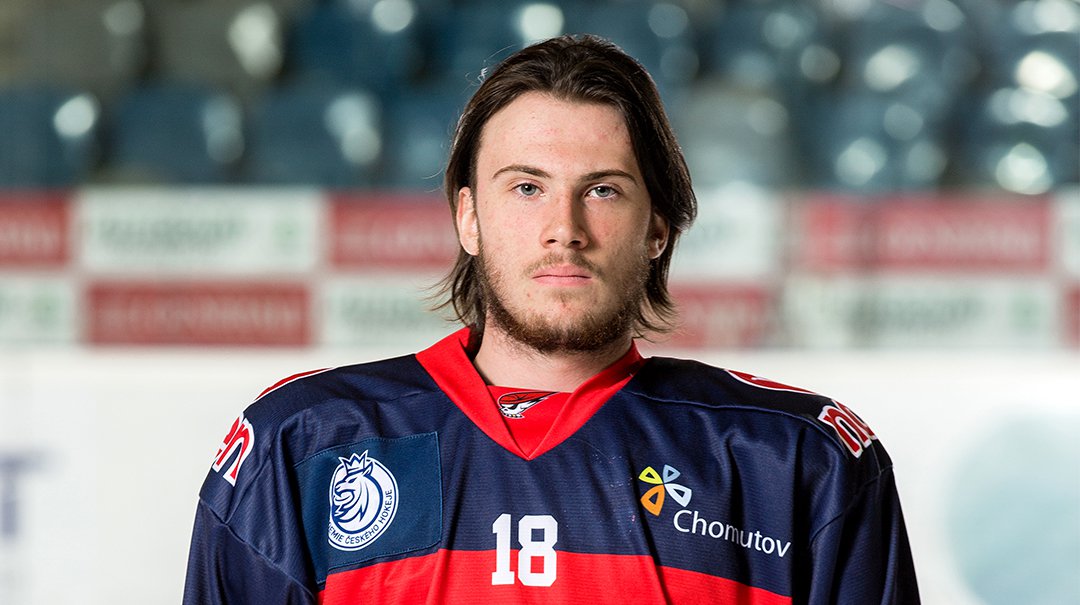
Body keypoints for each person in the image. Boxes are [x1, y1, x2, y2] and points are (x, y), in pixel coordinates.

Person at [183, 34, 919, 604]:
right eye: (526, 188)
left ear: (657, 228)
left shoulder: (797, 461)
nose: (564, 228)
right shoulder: (301, 444)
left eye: (602, 190)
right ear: (469, 217)